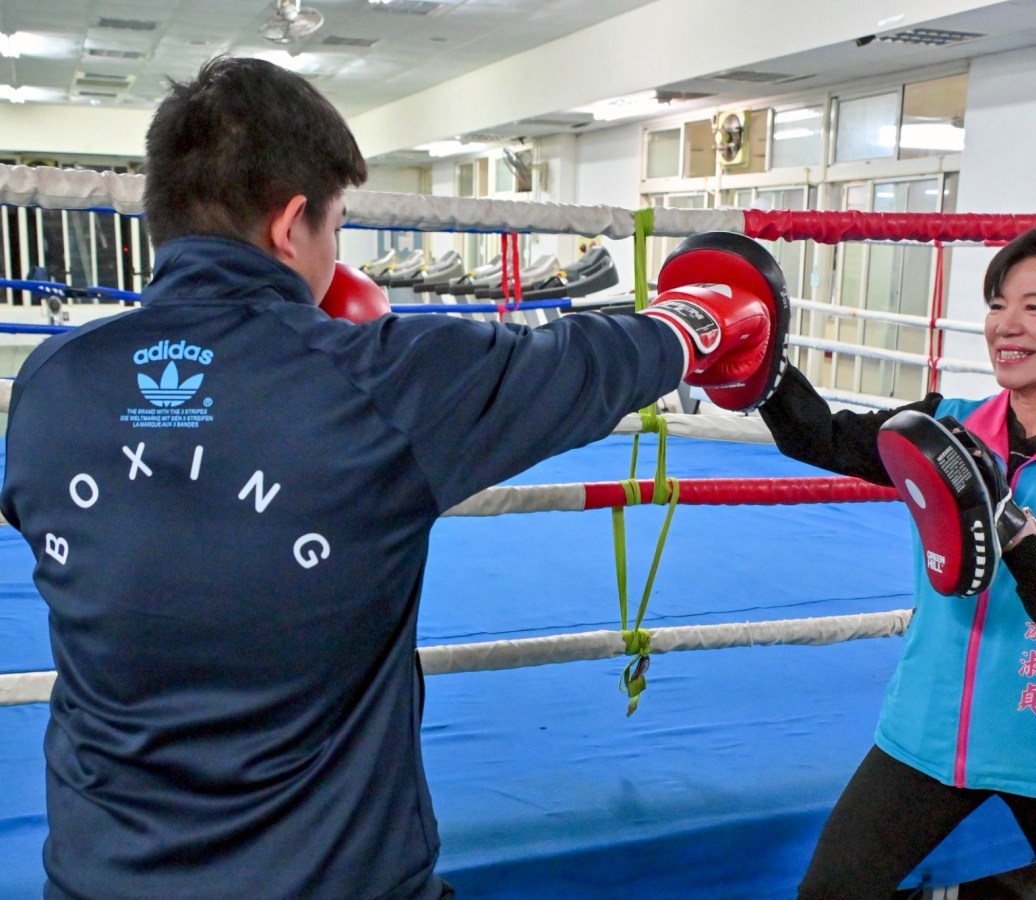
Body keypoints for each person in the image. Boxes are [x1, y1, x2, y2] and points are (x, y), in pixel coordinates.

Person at [0, 58, 789, 900]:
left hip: (93, 882)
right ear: (291, 224)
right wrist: (708, 319)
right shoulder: (381, 382)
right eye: (335, 226)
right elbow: (579, 363)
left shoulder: (48, 387)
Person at [759, 224, 1036, 900]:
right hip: (926, 733)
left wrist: (1010, 526)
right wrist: (761, 363)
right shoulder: (946, 429)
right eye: (997, 304)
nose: (1005, 325)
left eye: (1035, 306)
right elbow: (825, 438)